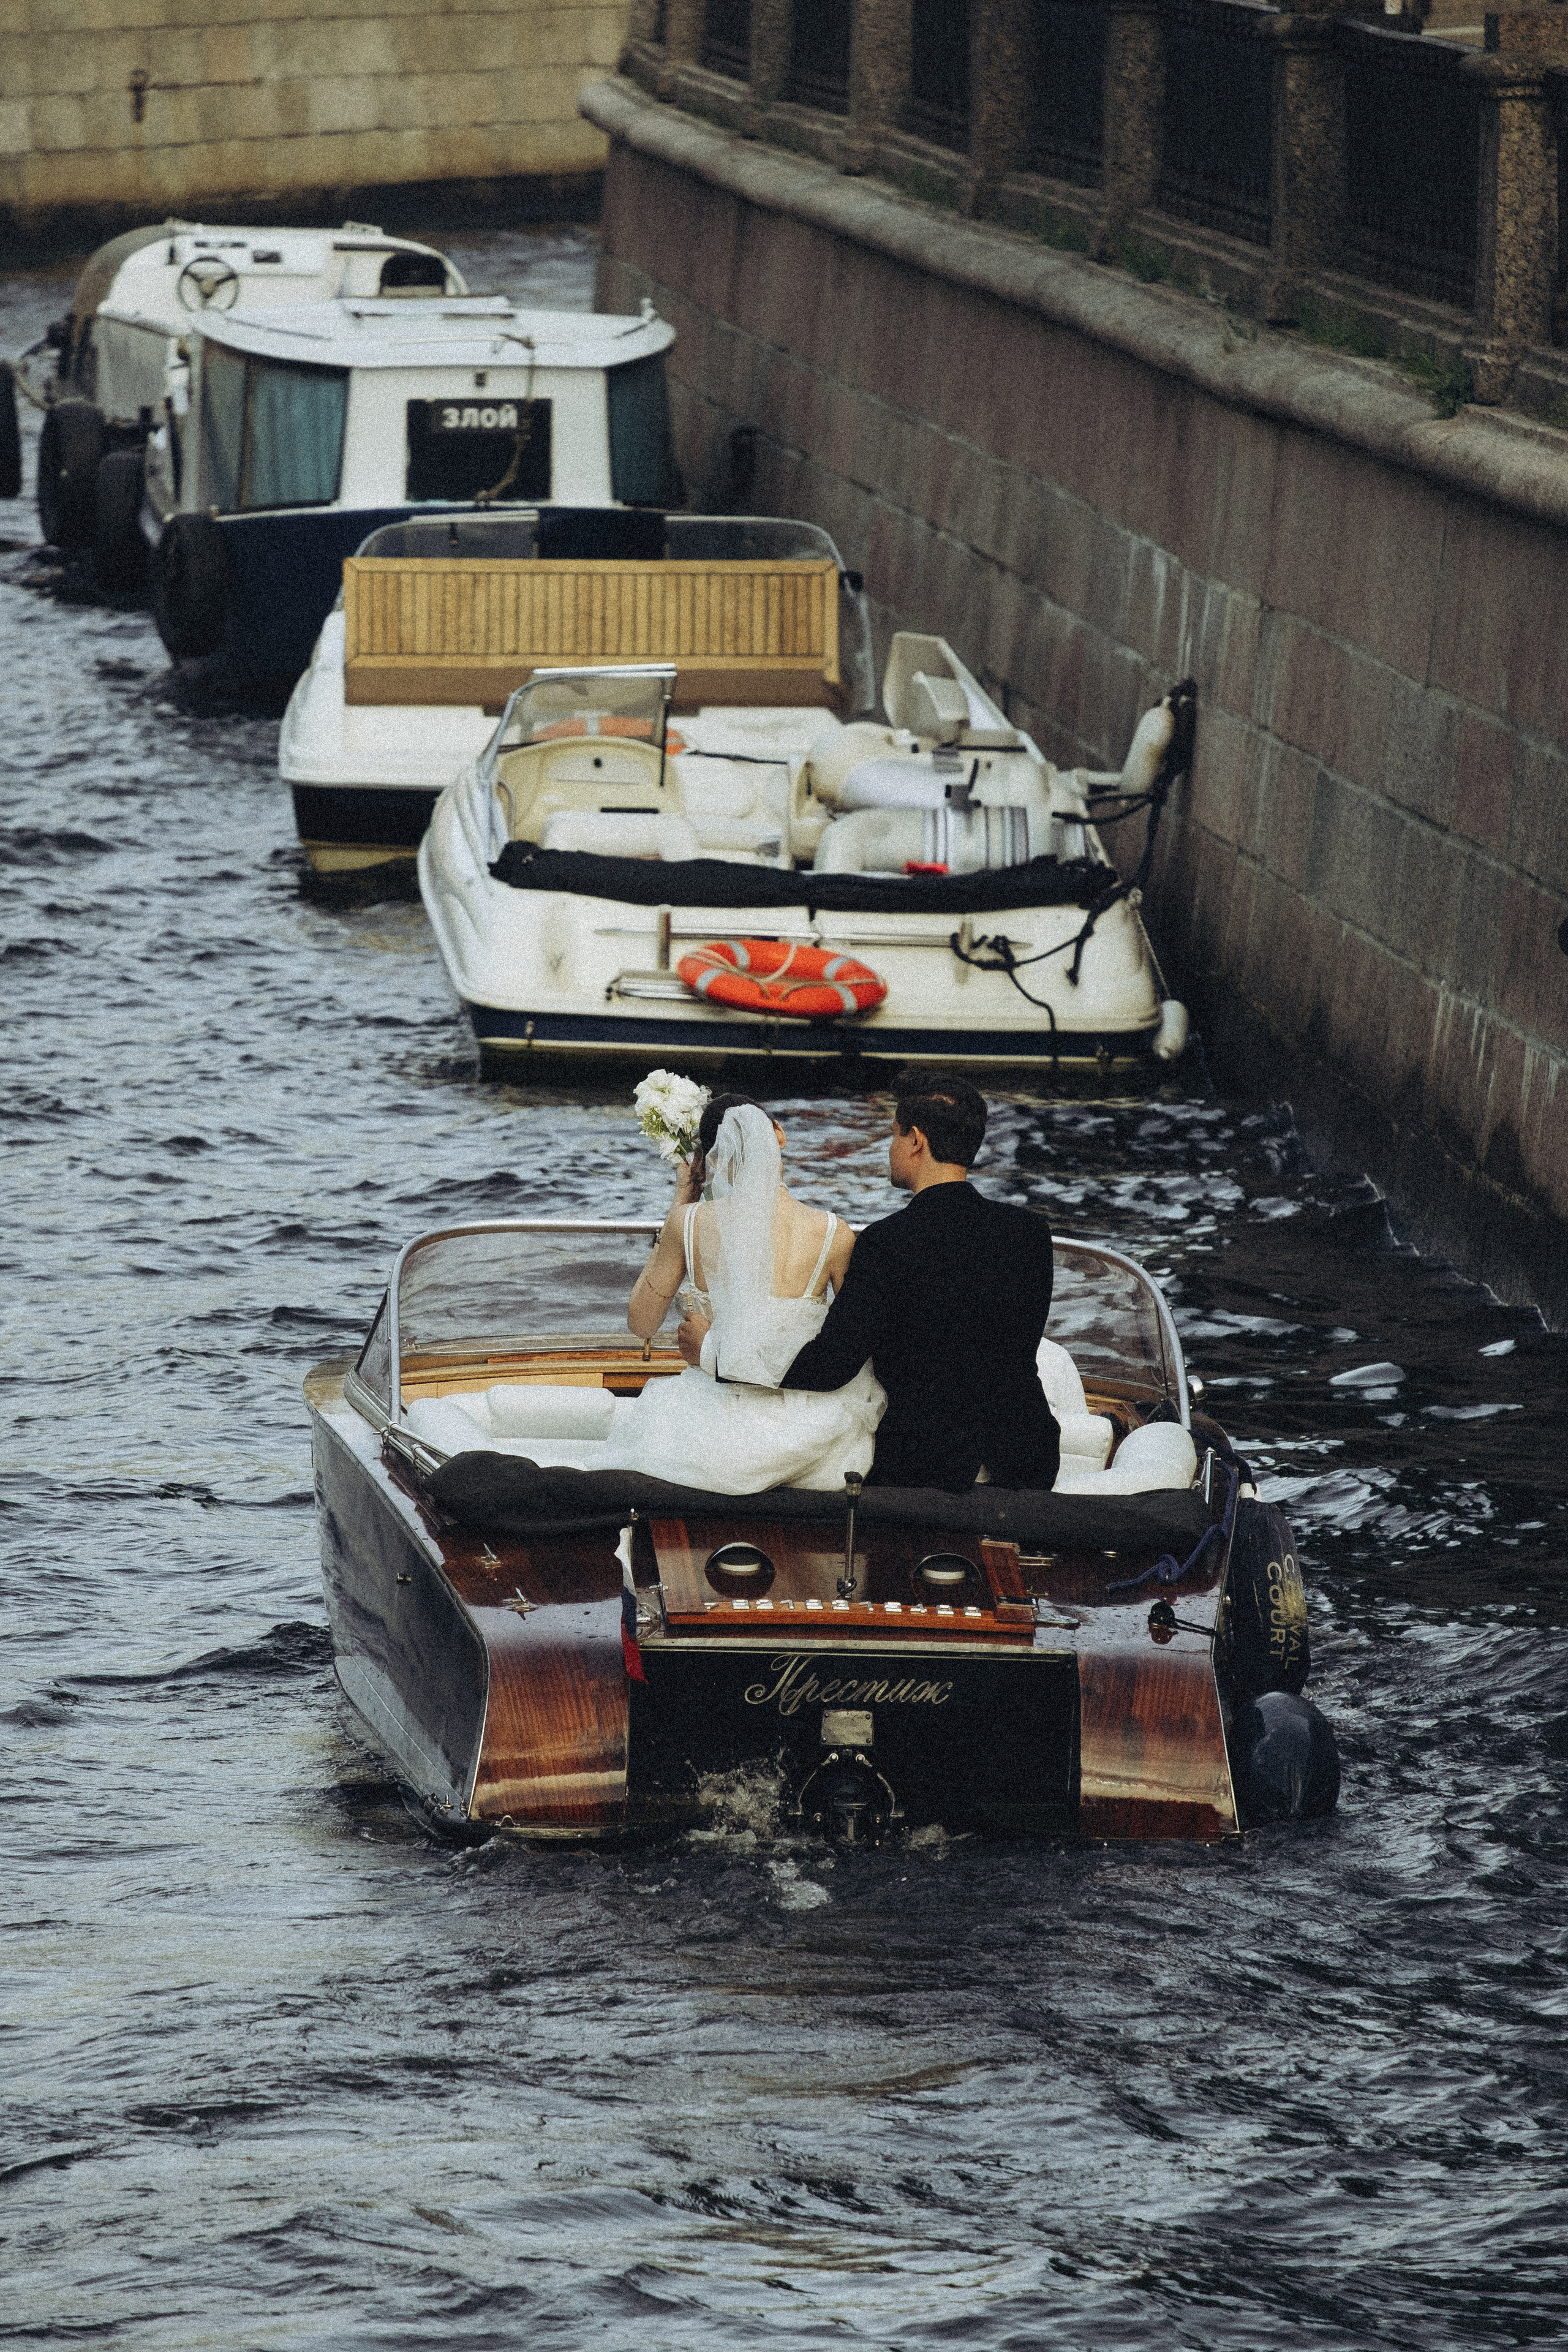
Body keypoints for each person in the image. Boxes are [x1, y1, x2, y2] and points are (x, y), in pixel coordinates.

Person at [680, 1079, 1058, 1493]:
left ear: (915, 1141)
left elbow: (831, 1367)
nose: (890, 1149)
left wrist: (716, 1355)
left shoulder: (886, 1242)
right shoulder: (1030, 1233)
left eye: (893, 1135)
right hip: (1029, 1457)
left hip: (924, 1467)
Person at [607, 1095, 886, 1492]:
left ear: (709, 1160)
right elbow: (852, 1345)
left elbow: (642, 1323)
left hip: (714, 1432)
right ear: (779, 1136)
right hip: (810, 1432)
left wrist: (681, 1202)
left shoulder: (688, 1223)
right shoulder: (833, 1232)